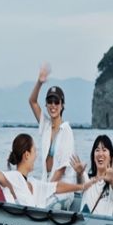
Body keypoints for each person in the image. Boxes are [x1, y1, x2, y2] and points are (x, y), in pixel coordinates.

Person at [0, 134, 95, 208]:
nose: (36, 155)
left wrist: (82, 186)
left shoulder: (33, 183)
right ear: (27, 155)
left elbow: (56, 186)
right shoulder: (15, 177)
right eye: (34, 151)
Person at [29, 63, 76, 209]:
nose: (53, 105)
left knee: (43, 205)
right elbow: (32, 101)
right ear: (46, 104)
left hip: (63, 189)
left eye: (56, 102)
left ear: (62, 105)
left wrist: (45, 191)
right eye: (50, 101)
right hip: (48, 183)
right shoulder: (46, 125)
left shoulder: (66, 130)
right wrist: (39, 82)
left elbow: (61, 169)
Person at [70, 135, 113, 216]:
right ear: (93, 156)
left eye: (104, 150)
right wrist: (79, 174)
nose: (100, 154)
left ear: (111, 157)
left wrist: (112, 180)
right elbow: (81, 183)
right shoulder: (87, 179)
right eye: (97, 150)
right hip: (84, 223)